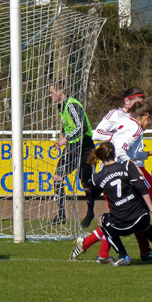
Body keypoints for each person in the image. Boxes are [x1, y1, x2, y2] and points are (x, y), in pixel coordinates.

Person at [71, 102, 152, 264]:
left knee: (130, 217)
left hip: (115, 172)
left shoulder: (128, 124)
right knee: (130, 215)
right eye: (151, 121)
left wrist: (148, 154)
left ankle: (99, 249)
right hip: (119, 174)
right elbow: (119, 150)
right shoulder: (136, 128)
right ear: (147, 117)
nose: (150, 125)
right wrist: (132, 166)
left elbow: (122, 148)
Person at [81, 67, 152, 228]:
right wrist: (117, 138)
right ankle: (101, 248)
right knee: (127, 214)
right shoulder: (116, 115)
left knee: (141, 212)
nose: (142, 104)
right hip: (119, 166)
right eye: (138, 101)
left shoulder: (139, 118)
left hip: (135, 164)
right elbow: (97, 134)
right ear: (127, 101)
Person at [77, 141, 152, 266]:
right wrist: (151, 208)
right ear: (115, 154)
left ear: (100, 156)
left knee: (103, 220)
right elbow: (141, 187)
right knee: (145, 225)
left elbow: (92, 195)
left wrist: (90, 187)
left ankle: (123, 255)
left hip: (121, 225)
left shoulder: (97, 177)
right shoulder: (127, 165)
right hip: (142, 217)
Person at [48, 80, 95, 225]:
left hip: (85, 150)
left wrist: (66, 139)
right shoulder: (60, 107)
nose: (49, 95)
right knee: (57, 177)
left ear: (59, 92)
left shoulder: (72, 104)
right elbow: (68, 125)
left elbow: (82, 127)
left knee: (86, 185)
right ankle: (61, 215)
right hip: (72, 150)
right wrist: (62, 136)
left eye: (51, 92)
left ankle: (90, 213)